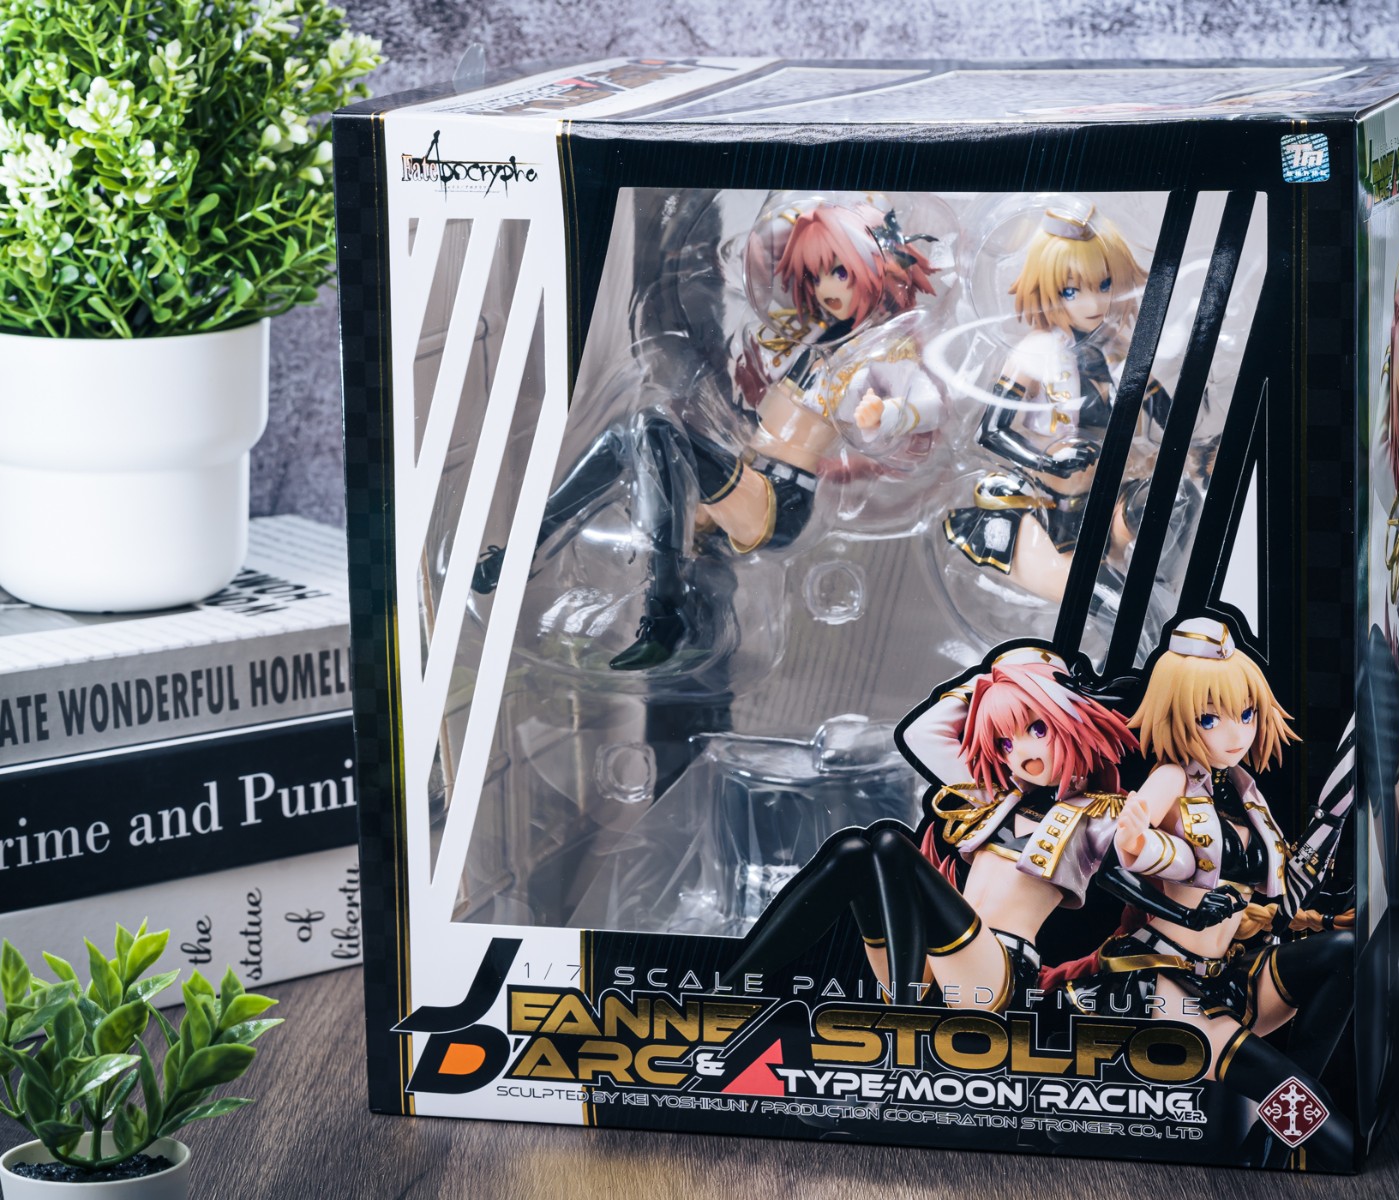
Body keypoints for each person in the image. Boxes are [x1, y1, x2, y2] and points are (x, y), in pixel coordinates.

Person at [473, 197, 942, 669]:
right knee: (623, 438)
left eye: (839, 273)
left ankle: (664, 614)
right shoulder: (816, 342)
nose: (826, 289)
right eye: (817, 275)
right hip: (750, 477)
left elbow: (931, 404)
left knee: (651, 426)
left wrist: (889, 414)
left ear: (878, 273)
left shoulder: (879, 355)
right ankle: (520, 553)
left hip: (778, 503)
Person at [725, 645, 1136, 1011]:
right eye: (1005, 744)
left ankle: (904, 1017)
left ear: (1073, 719)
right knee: (852, 852)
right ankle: (731, 985)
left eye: (1037, 728)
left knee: (891, 845)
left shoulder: (1102, 812)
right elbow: (923, 734)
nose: (1021, 752)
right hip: (926, 964)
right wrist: (994, 678)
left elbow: (1152, 864)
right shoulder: (996, 799)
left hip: (995, 973)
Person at [1090, 616, 1354, 1164]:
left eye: (1247, 714)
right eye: (1211, 718)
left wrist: (1322, 917)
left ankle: (1275, 1128)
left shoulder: (1241, 790)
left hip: (1232, 977)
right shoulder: (1170, 779)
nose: (1236, 734)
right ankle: (1285, 1129)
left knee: (1345, 954)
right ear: (1179, 715)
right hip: (1171, 989)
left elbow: (1268, 893)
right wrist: (1180, 905)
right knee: (1320, 1124)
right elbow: (1111, 866)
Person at [944, 203, 1170, 607]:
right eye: (1071, 291)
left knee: (1172, 505)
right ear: (1048, 290)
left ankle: (1166, 592)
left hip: (1111, 498)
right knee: (1106, 600)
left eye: (1104, 285)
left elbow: (1169, 416)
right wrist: (1047, 459)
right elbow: (990, 430)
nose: (1093, 303)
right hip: (1048, 505)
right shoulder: (1036, 352)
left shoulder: (1119, 353)